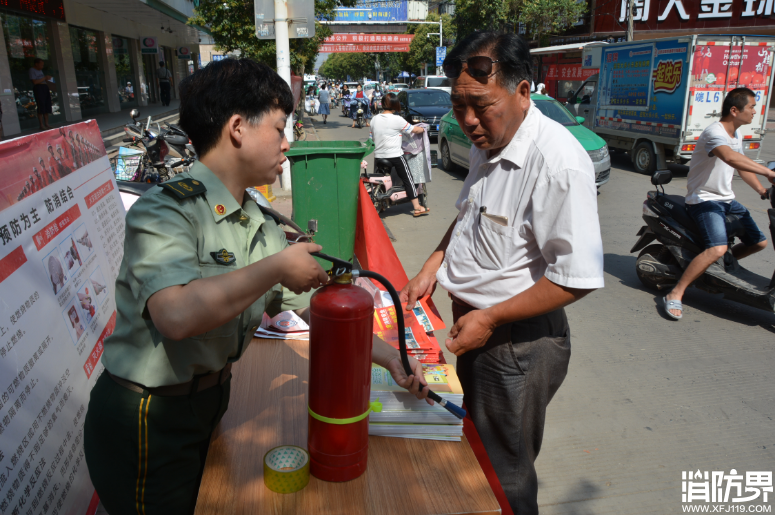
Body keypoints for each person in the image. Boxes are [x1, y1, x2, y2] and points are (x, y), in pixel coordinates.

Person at [83, 58, 430, 515]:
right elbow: (176, 315)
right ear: (237, 127)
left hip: (209, 404)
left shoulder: (260, 222)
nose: (288, 144)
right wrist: (275, 268)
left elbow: (312, 310)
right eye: (281, 128)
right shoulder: (165, 212)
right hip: (148, 418)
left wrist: (393, 359)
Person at [400, 32, 604, 514]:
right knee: (481, 450)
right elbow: (472, 211)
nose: (468, 120)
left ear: (523, 91)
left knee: (504, 472)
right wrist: (434, 262)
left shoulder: (556, 162)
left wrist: (489, 319)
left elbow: (575, 278)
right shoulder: (487, 142)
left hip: (517, 346)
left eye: (482, 105)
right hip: (479, 329)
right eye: (458, 104)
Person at [663, 88, 775, 319]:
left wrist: (763, 191)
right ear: (734, 110)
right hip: (704, 200)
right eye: (752, 107)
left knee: (759, 243)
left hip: (726, 200)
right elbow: (730, 157)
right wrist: (767, 172)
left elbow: (740, 165)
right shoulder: (715, 132)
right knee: (717, 248)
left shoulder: (737, 134)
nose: (755, 111)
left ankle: (713, 268)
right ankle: (676, 292)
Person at [370, 93, 429, 217]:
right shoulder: (397, 119)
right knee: (408, 179)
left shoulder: (374, 119)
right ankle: (417, 207)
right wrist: (424, 129)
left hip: (379, 155)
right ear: (396, 105)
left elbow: (372, 136)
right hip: (395, 156)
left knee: (380, 178)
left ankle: (381, 203)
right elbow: (414, 130)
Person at [29, 58, 53, 130]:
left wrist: (46, 79)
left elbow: (42, 79)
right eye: (41, 65)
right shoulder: (32, 70)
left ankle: (47, 123)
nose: (42, 66)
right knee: (41, 105)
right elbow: (35, 82)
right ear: (36, 64)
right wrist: (44, 78)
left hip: (44, 87)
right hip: (38, 88)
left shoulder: (40, 71)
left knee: (47, 104)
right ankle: (41, 125)